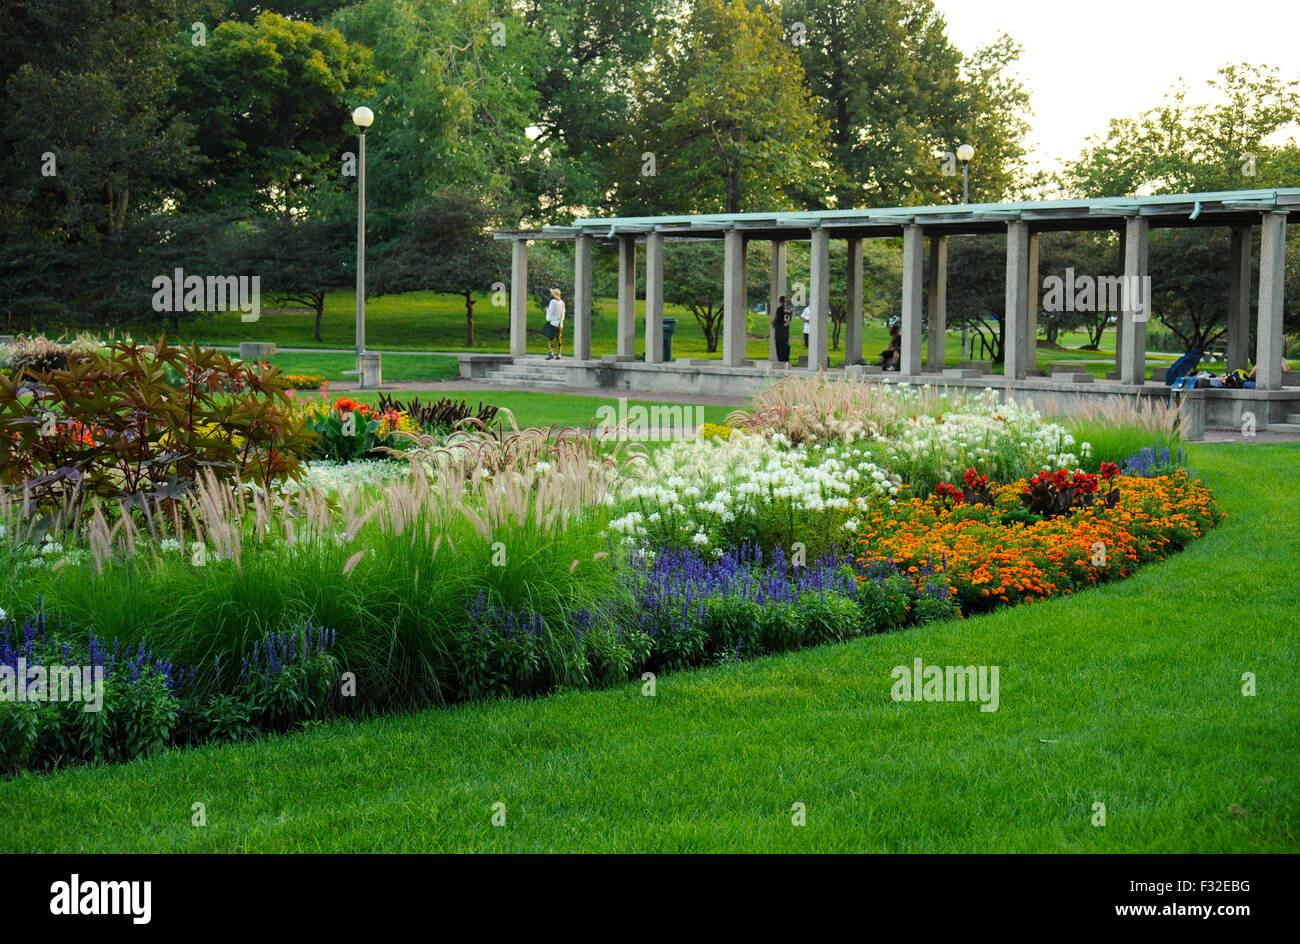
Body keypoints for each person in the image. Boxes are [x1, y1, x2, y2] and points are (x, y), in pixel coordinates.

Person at [543, 287, 566, 359]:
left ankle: (551, 353)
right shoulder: (562, 302)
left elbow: (550, 314)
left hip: (553, 323)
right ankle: (559, 354)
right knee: (559, 338)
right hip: (560, 324)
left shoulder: (552, 302)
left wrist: (546, 311)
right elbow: (563, 313)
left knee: (550, 339)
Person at [772, 295, 792, 364]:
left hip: (779, 330)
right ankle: (786, 358)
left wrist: (773, 322)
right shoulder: (789, 309)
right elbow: (789, 320)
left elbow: (777, 319)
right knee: (786, 344)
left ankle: (781, 359)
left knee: (779, 345)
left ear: (780, 301)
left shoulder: (780, 309)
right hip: (786, 329)